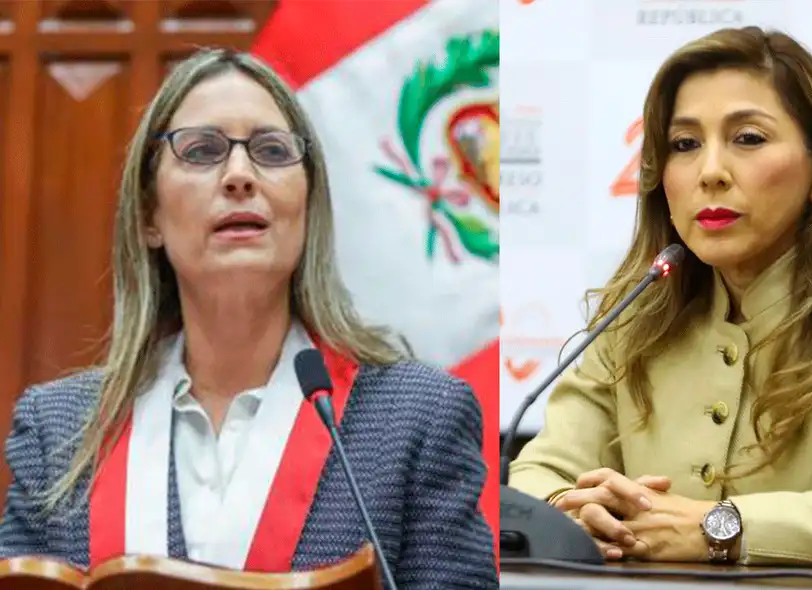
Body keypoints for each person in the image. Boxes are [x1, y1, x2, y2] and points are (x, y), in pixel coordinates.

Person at [0, 48, 497, 589]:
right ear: (149, 215)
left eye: (271, 150)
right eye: (202, 150)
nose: (240, 175)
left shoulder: (416, 419)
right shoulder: (60, 430)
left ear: (308, 206)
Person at [508, 26, 812, 568]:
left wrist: (724, 528)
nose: (711, 172)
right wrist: (572, 512)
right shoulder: (637, 312)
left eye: (748, 139)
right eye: (684, 145)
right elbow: (538, 476)